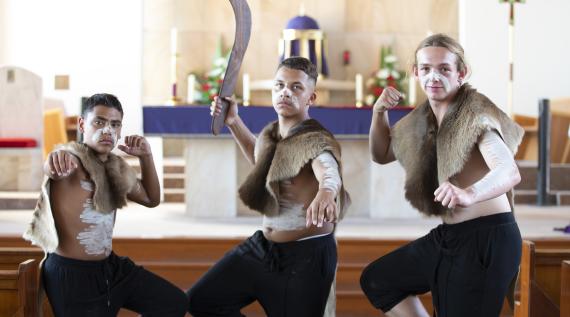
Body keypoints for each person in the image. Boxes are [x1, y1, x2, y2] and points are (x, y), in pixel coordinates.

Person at [360, 34, 524, 317]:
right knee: (378, 280)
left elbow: (508, 170)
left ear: (461, 73)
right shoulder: (424, 118)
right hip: (451, 236)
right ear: (415, 72)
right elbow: (381, 153)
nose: (433, 76)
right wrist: (379, 113)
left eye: (444, 69)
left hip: (488, 239)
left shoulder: (474, 114)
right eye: (425, 69)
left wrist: (468, 193)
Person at [187, 56, 350, 317]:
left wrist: (326, 191)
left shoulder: (315, 137)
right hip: (263, 249)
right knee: (203, 301)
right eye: (279, 85)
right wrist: (233, 121)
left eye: (296, 87)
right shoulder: (272, 133)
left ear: (311, 97)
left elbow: (326, 167)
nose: (285, 92)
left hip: (305, 258)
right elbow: (262, 161)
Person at [24, 93, 187, 316]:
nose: (107, 130)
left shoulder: (116, 168)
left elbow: (151, 199)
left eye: (114, 124)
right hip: (72, 276)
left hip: (111, 269)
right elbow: (55, 164)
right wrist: (53, 159)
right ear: (82, 124)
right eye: (99, 122)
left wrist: (146, 156)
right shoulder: (71, 159)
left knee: (173, 302)